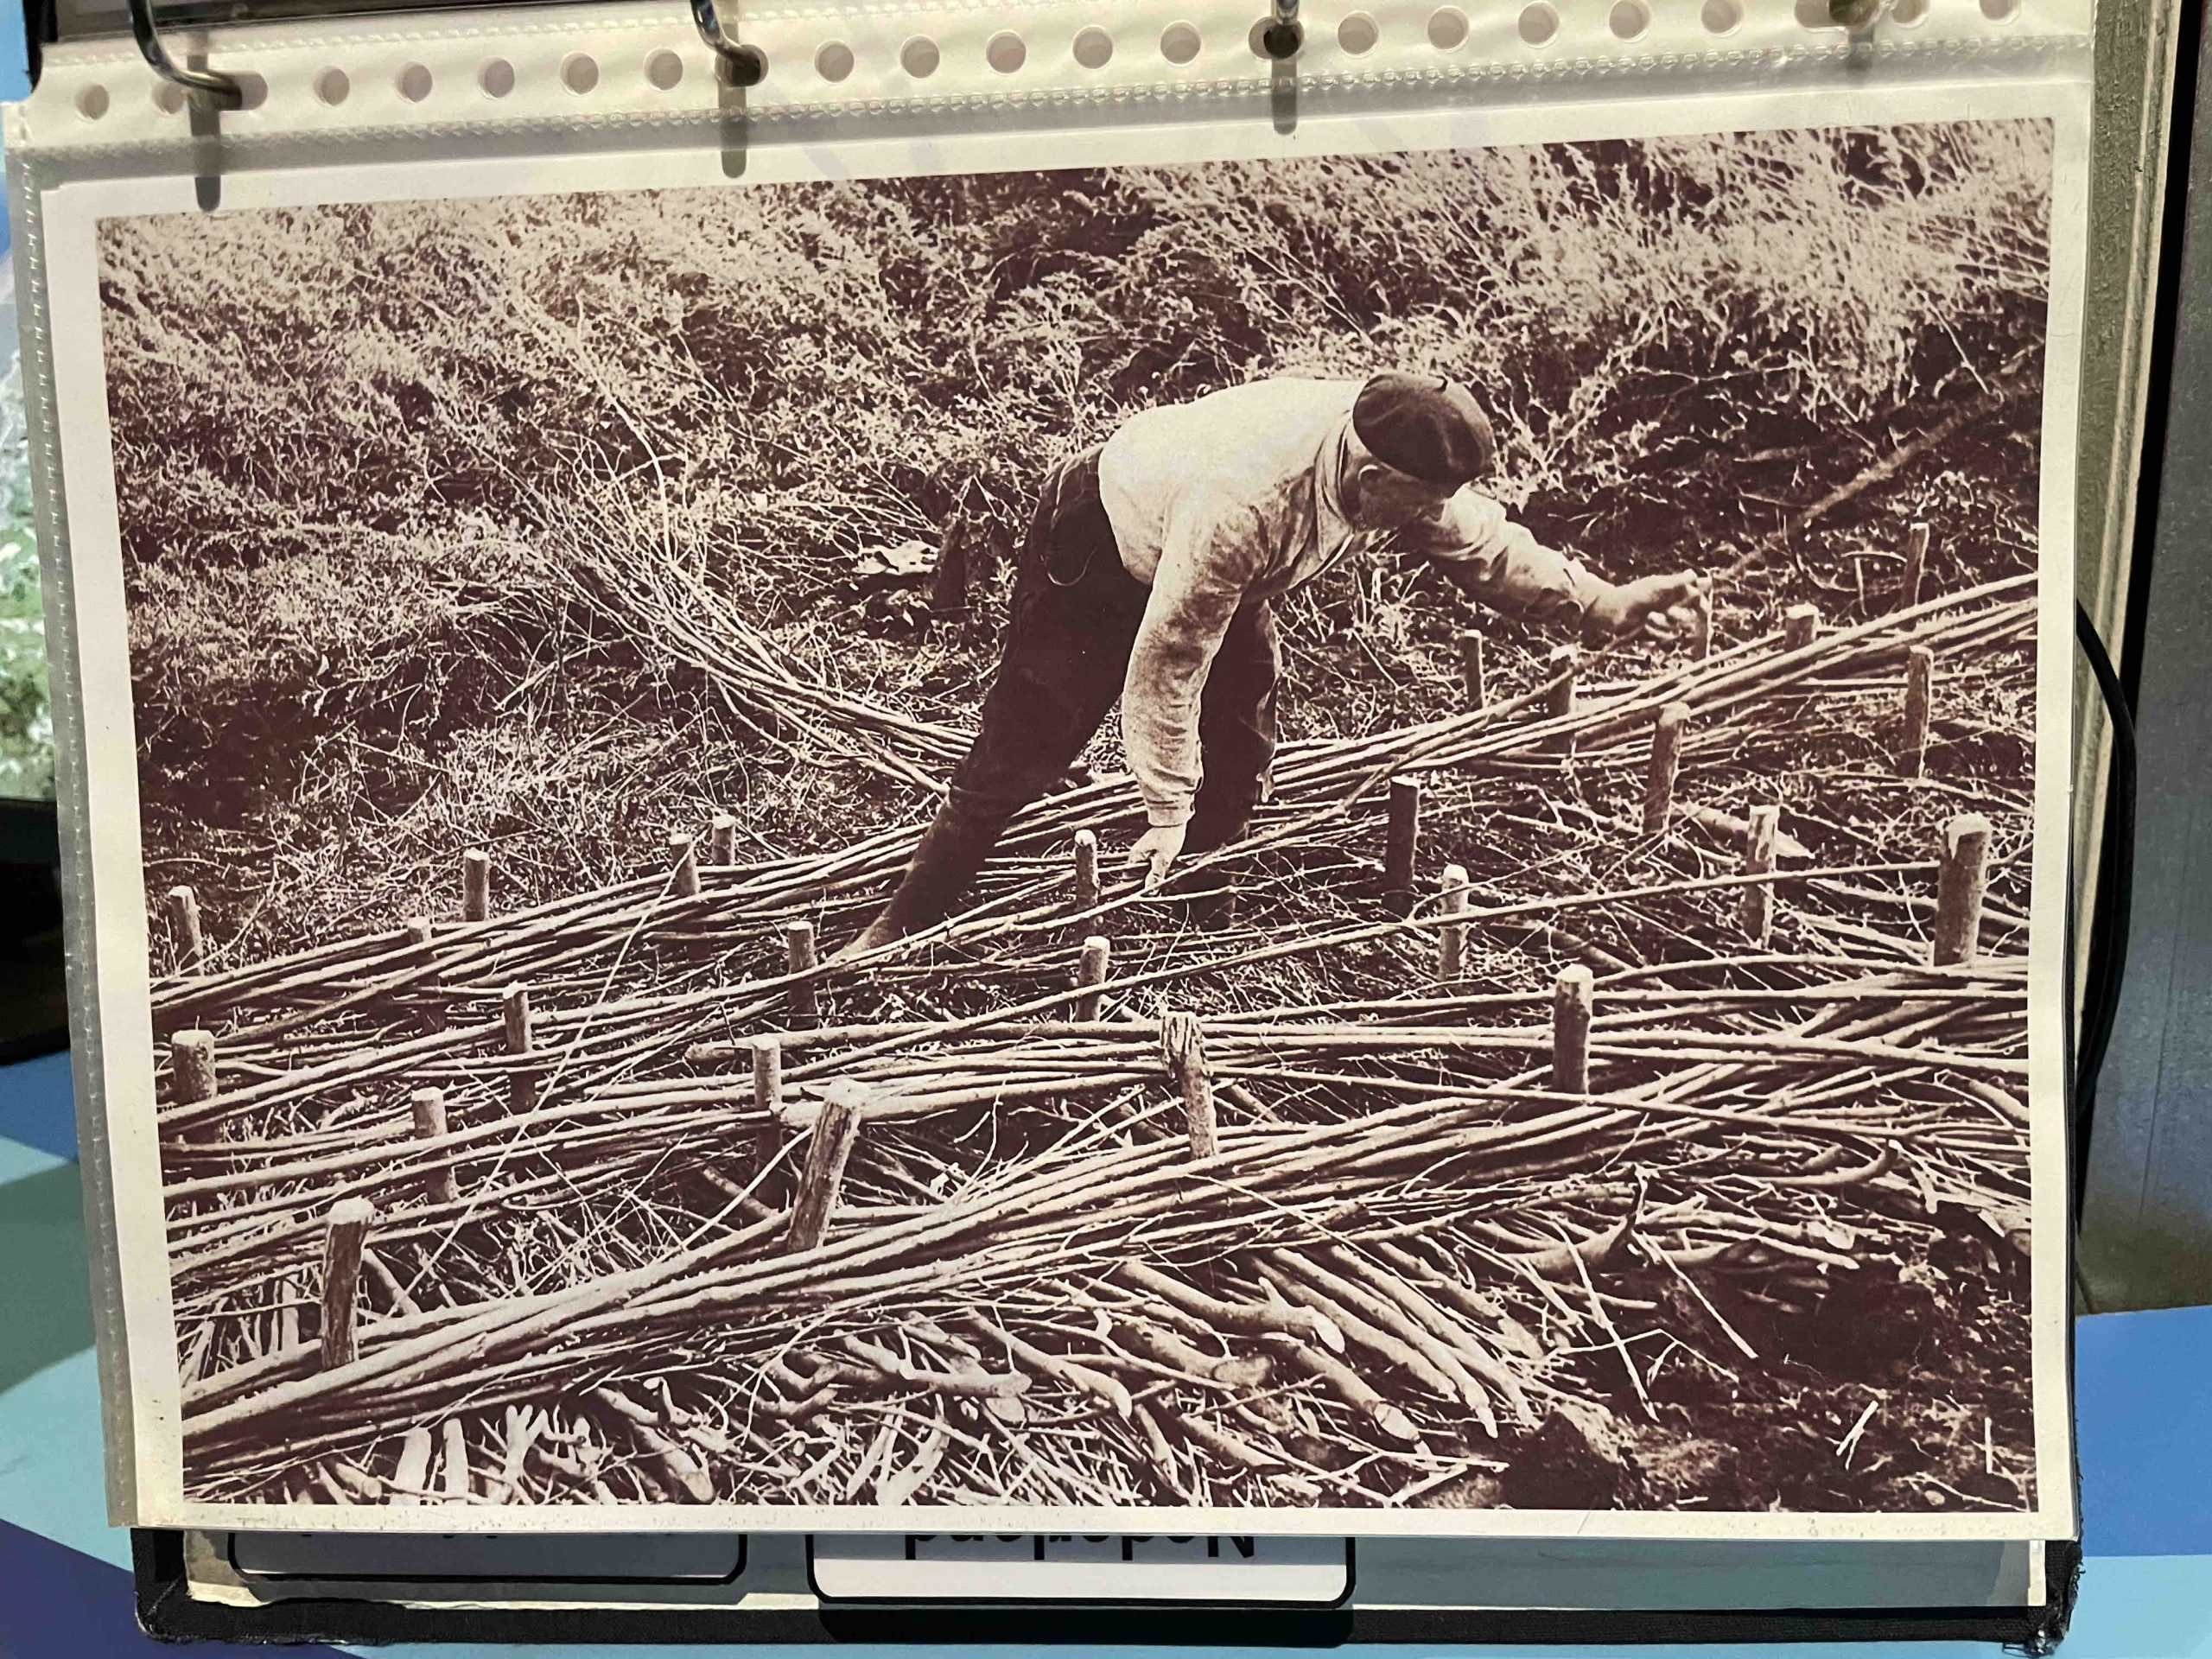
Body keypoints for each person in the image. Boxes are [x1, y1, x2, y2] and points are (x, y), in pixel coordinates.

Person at [845, 371, 1697, 954]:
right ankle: (906, 917)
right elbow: (1171, 655)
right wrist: (1164, 801)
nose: (1432, 518)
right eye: (1421, 503)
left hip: (1222, 567)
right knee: (1029, 739)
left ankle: (1195, 899)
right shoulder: (1250, 498)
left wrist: (1598, 600)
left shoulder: (1392, 462)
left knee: (1244, 740)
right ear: (1371, 478)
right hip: (1103, 537)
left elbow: (1481, 546)